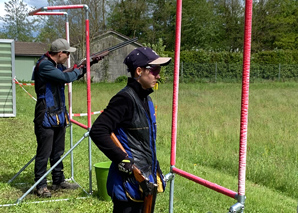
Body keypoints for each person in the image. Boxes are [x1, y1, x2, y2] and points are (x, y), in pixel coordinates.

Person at [89, 47, 171, 212]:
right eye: (154, 70)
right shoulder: (124, 99)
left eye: (159, 70)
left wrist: (154, 166)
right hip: (127, 183)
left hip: (145, 179)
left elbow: (142, 141)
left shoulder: (145, 99)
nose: (158, 75)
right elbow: (98, 130)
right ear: (139, 71)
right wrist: (123, 160)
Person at [32, 38, 87, 198]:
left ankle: (58, 180)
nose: (68, 56)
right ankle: (41, 186)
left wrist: (81, 66)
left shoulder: (55, 65)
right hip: (45, 114)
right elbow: (65, 78)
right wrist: (81, 70)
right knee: (44, 152)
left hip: (58, 113)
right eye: (67, 53)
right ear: (60, 53)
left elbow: (66, 72)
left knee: (58, 151)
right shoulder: (44, 65)